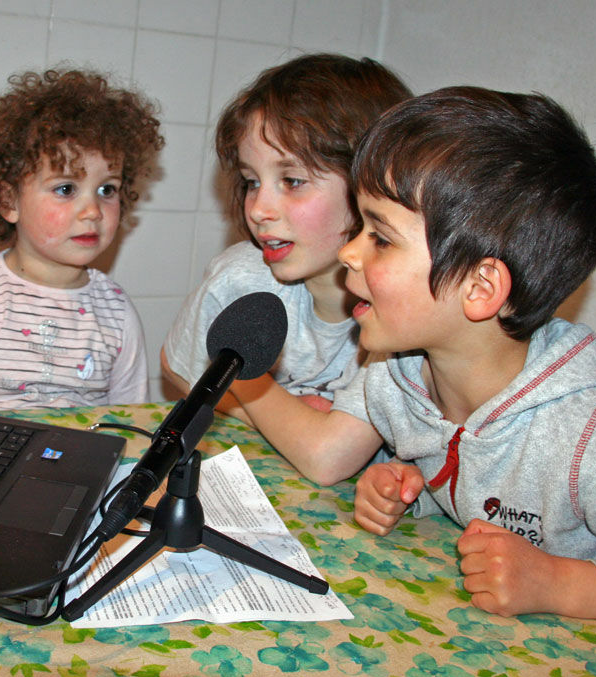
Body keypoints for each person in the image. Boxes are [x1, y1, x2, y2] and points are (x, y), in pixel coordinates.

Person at [235, 86, 596, 635]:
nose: (349, 251)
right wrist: (404, 487)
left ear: (481, 287)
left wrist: (559, 582)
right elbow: (475, 479)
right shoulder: (394, 377)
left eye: (381, 238)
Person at [160, 53, 412, 481]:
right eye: (252, 181)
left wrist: (243, 384)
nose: (259, 209)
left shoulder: (402, 317)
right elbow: (176, 364)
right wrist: (288, 412)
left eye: (292, 181)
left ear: (371, 187)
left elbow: (328, 458)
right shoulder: (241, 278)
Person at [0, 68, 164, 411]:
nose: (92, 211)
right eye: (66, 189)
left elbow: (133, 425)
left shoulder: (117, 313)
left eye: (107, 190)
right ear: (9, 201)